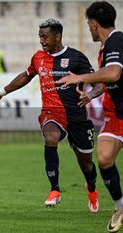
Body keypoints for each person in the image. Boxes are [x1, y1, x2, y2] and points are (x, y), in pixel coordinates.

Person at [0, 19, 103, 212]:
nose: (41, 41)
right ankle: (54, 189)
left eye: (45, 37)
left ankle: (91, 188)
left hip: (77, 116)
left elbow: (99, 83)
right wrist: (1, 93)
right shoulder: (38, 57)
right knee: (50, 137)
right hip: (52, 112)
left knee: (87, 166)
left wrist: (90, 95)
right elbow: (26, 76)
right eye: (39, 37)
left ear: (57, 36)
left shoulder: (76, 58)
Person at [56, 2, 123, 232]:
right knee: (104, 158)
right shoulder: (108, 46)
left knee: (103, 158)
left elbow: (113, 74)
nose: (89, 28)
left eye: (89, 24)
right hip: (116, 114)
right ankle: (120, 207)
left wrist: (79, 78)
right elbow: (112, 78)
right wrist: (93, 92)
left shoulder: (115, 40)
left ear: (94, 24)